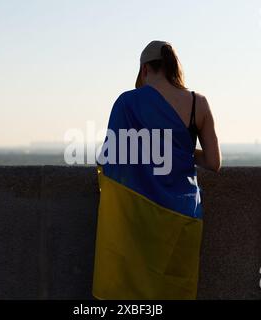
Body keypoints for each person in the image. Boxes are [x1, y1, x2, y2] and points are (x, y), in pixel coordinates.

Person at [92, 40, 221, 299]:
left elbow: (109, 156)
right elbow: (213, 162)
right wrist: (176, 151)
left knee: (131, 293)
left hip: (137, 216)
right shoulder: (198, 103)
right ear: (173, 67)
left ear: (144, 70)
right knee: (174, 289)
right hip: (182, 216)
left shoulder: (127, 103)